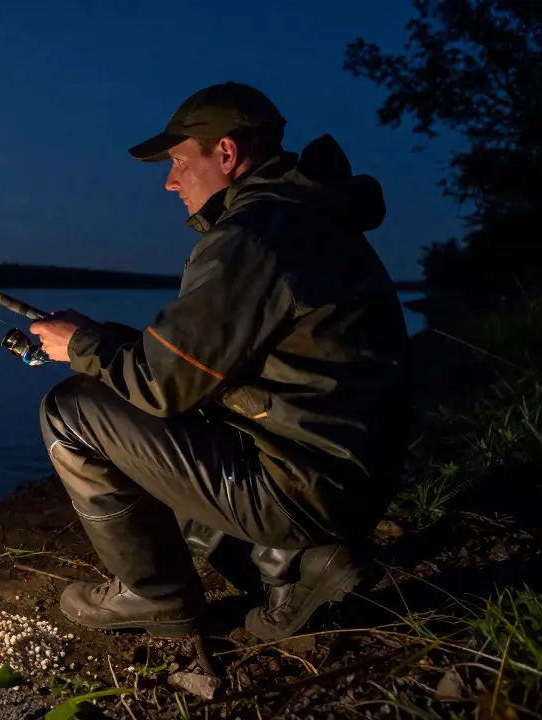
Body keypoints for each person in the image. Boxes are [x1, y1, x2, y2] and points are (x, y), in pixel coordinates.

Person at [29, 82, 412, 641]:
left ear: (226, 153)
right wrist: (103, 339)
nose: (170, 181)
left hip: (306, 488)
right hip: (347, 475)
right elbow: (205, 362)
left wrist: (81, 347)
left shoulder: (251, 237)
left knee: (71, 411)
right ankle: (297, 565)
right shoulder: (305, 218)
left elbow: (165, 387)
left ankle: (156, 595)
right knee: (167, 402)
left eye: (181, 162)